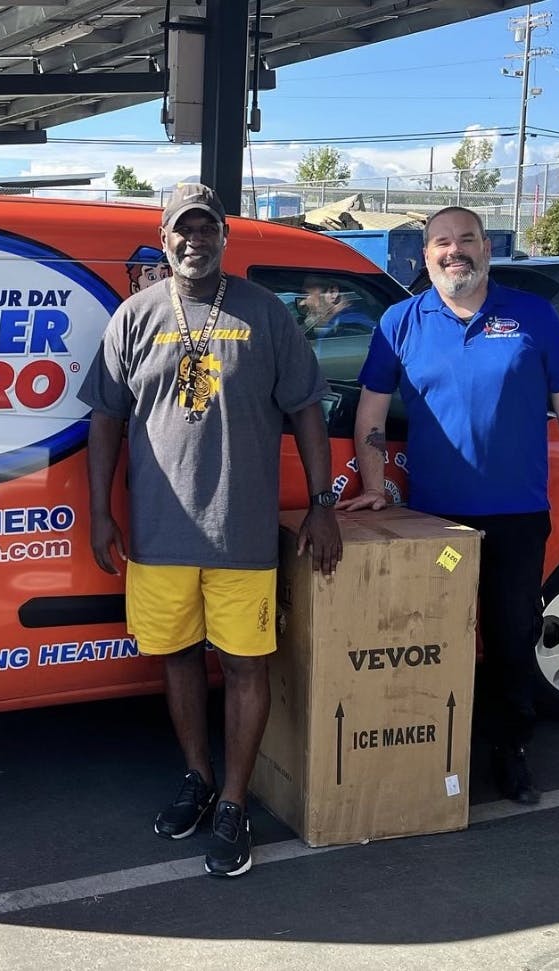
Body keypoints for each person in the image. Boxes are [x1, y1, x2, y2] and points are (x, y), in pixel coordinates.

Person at [78, 183, 342, 878]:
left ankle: (233, 802)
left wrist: (323, 501)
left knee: (246, 664)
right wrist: (101, 510)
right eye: (182, 231)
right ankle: (197, 777)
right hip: (158, 534)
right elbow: (104, 419)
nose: (195, 240)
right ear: (164, 241)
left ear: (225, 236)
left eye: (207, 229)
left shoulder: (264, 313)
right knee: (176, 658)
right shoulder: (133, 317)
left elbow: (309, 409)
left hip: (241, 533)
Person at [337, 205, 559, 805]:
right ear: (424, 253)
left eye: (465, 240)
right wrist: (378, 485)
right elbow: (371, 414)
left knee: (512, 637)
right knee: (438, 640)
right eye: (441, 242)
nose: (453, 250)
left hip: (516, 517)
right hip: (436, 525)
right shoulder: (400, 321)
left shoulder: (533, 317)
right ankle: (437, 749)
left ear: (486, 248)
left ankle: (509, 750)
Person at [295, 275, 375, 338]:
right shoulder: (333, 326)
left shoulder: (351, 330)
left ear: (333, 293)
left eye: (307, 295)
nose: (302, 303)